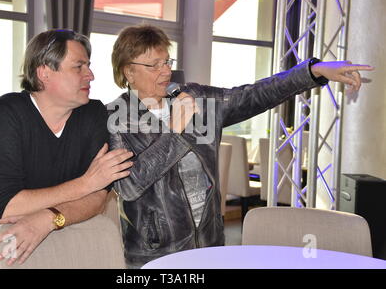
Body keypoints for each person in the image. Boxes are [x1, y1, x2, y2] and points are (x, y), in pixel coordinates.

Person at [106, 24, 374, 268]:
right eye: (154, 65)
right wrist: (175, 130)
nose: (166, 70)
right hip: (154, 254)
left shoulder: (197, 99)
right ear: (128, 71)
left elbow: (253, 95)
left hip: (209, 246)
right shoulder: (115, 117)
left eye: (167, 61)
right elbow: (130, 186)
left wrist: (312, 72)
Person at [0, 29, 134, 269]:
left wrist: (51, 218)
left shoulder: (93, 114)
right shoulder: (2, 115)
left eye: (88, 66)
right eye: (78, 67)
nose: (90, 75)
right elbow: (8, 207)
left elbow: (98, 199)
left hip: (57, 245)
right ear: (44, 73)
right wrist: (85, 184)